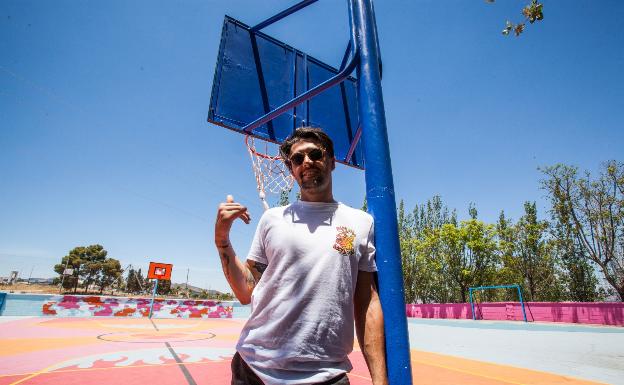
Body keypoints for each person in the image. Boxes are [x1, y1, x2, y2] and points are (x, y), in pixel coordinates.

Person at [215, 127, 387, 385]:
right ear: (291, 169)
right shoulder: (272, 219)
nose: (306, 162)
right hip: (254, 369)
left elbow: (367, 302)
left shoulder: (361, 223)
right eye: (297, 159)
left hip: (326, 375)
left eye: (315, 154)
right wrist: (222, 239)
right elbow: (246, 291)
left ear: (331, 161)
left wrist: (380, 380)